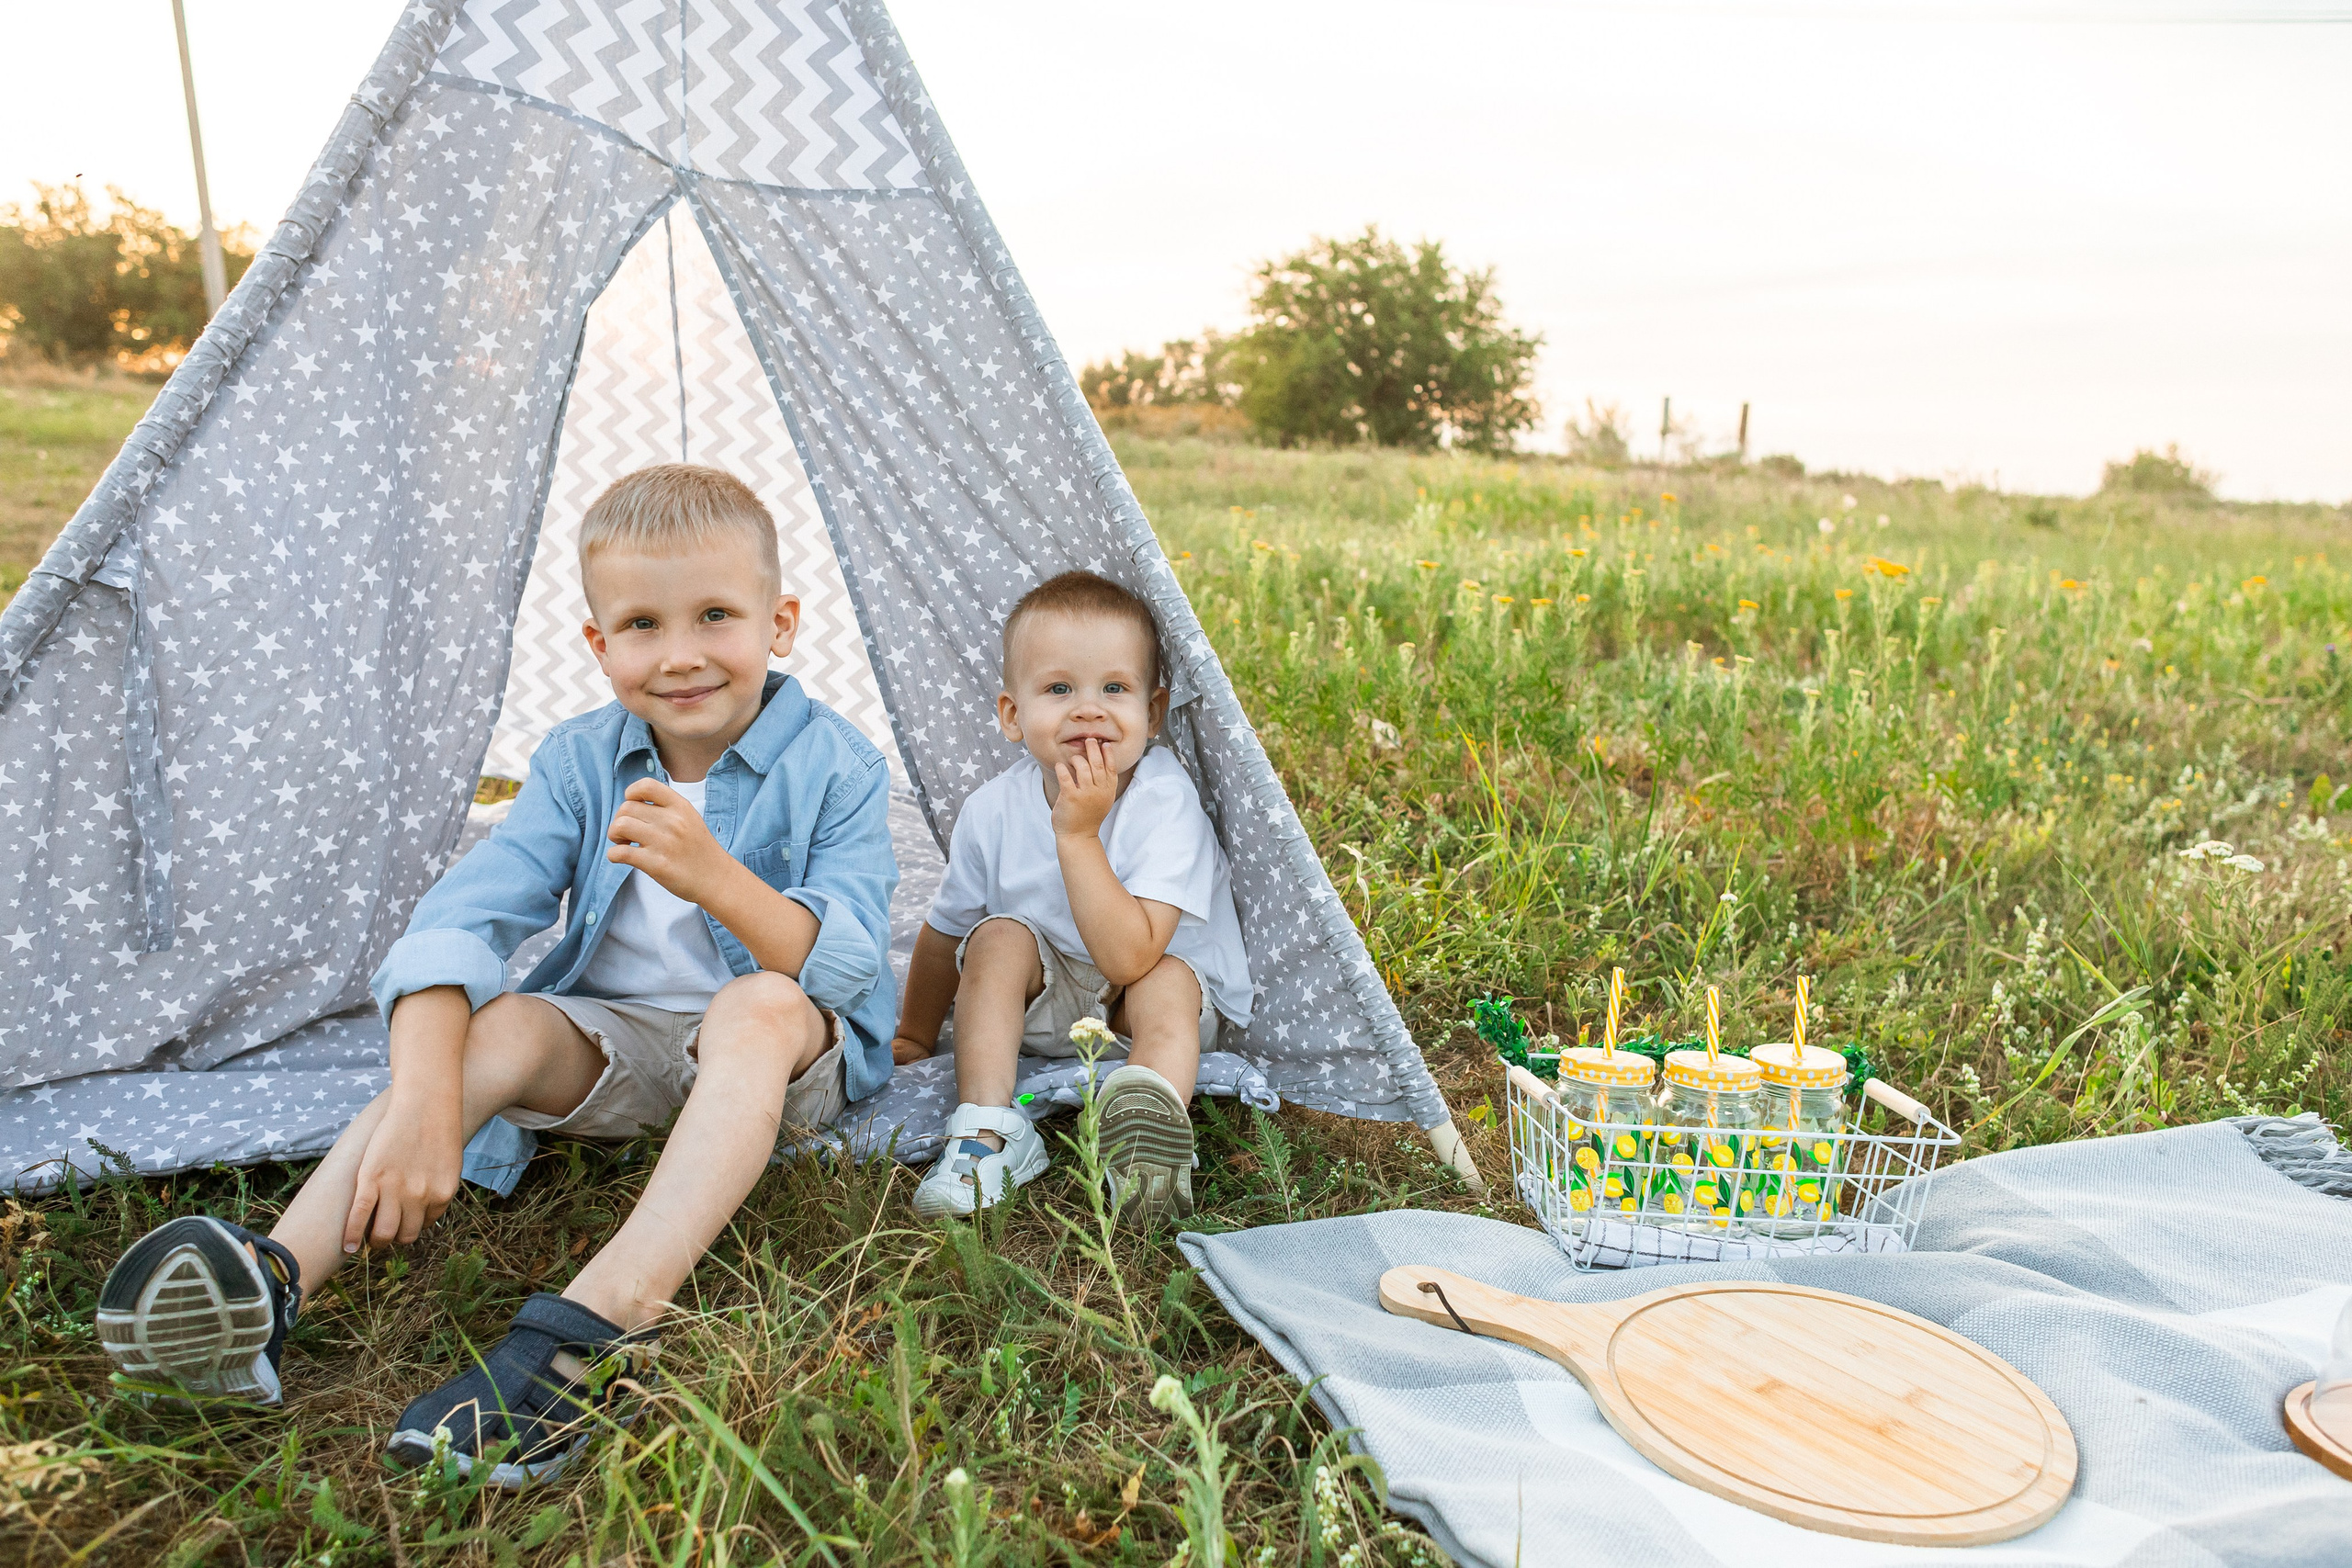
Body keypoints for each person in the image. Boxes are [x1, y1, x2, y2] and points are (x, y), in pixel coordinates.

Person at [96, 465, 898, 1485]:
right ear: (600, 645)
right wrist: (432, 1106)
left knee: (758, 1002)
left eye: (716, 616)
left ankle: (597, 1334)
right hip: (626, 1053)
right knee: (511, 1018)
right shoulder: (579, 761)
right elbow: (457, 925)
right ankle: (271, 1281)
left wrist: (716, 878)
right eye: (643, 625)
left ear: (779, 623)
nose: (682, 654)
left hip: (782, 1063)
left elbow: (847, 961)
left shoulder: (837, 764)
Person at [892, 570, 1250, 1224]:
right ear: (1012, 714)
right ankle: (990, 1131)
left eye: (1115, 688)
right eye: (1059, 689)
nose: (1089, 708)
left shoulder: (1163, 800)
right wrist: (914, 1036)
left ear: (1154, 711)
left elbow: (1132, 957)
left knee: (1167, 979)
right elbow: (944, 934)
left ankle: (1146, 1145)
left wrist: (1078, 833)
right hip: (1048, 1011)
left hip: (1139, 1015)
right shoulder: (991, 810)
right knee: (995, 937)